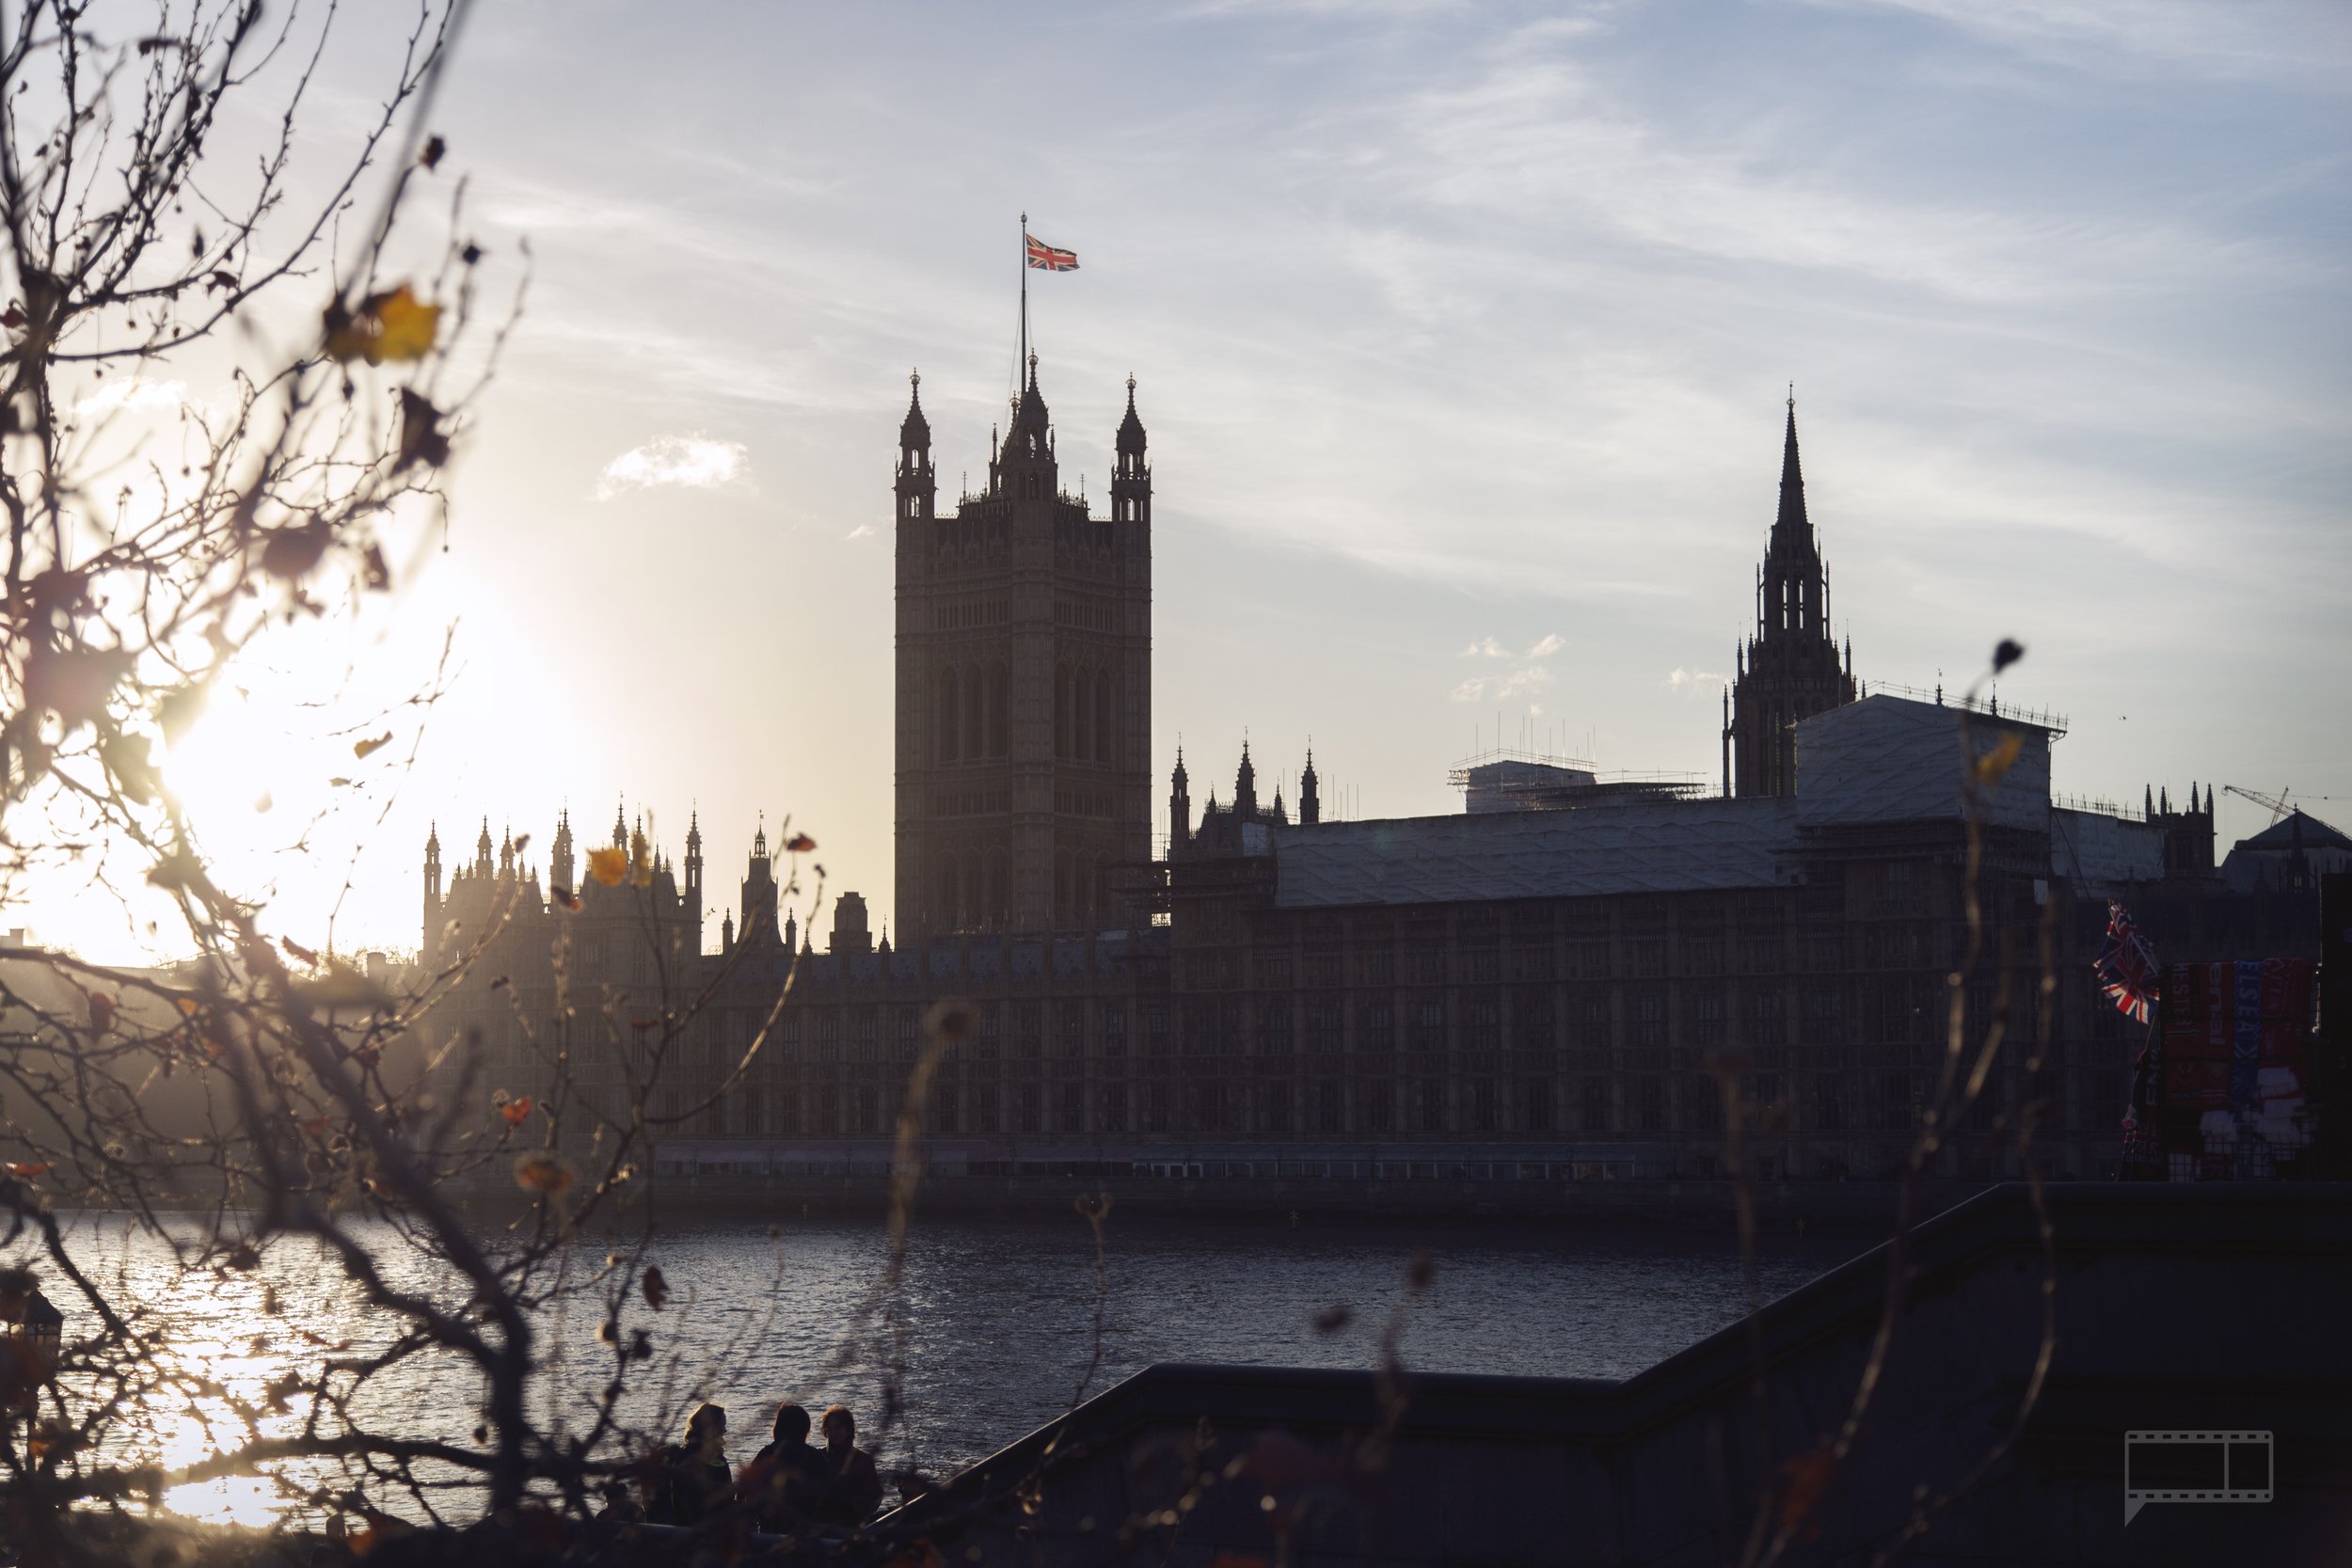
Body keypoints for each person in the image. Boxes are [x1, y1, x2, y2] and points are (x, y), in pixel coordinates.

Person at [742, 1401, 828, 1532]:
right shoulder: (815, 1456)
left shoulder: (767, 1454)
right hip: (806, 1532)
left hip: (770, 1530)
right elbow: (830, 1492)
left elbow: (745, 1492)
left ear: (778, 1427)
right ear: (805, 1429)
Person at [647, 1402, 734, 1527]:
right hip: (703, 1531)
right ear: (711, 1429)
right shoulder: (716, 1462)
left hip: (676, 1528)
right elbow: (724, 1501)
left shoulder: (676, 1456)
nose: (725, 1430)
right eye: (722, 1426)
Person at [815, 1403, 883, 1527]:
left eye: (838, 1427)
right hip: (823, 1524)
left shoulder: (864, 1460)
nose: (834, 1432)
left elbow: (875, 1496)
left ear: (848, 1430)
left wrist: (853, 1507)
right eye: (830, 1428)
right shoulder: (818, 1457)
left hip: (853, 1524)